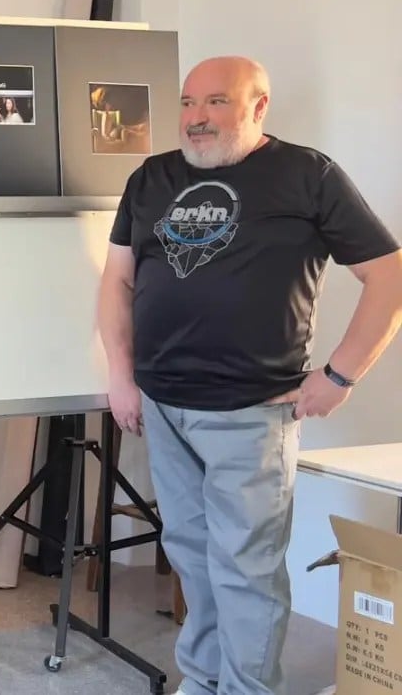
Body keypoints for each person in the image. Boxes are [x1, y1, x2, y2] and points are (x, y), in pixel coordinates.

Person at [97, 55, 402, 695]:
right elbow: (118, 281)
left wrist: (340, 376)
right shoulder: (151, 177)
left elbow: (389, 276)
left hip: (252, 412)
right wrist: (122, 377)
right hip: (162, 404)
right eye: (187, 103)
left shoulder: (306, 175)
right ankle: (204, 683)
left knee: (246, 571)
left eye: (216, 102)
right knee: (195, 561)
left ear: (258, 107)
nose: (197, 118)